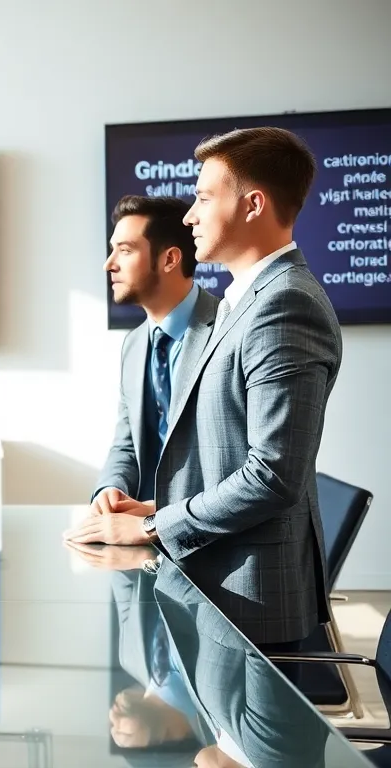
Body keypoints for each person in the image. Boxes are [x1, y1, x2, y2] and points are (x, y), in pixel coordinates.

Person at [66, 127, 342, 650]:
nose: (190, 214)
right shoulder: (248, 301)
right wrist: (147, 508)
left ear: (253, 205)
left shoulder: (286, 305)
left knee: (245, 737)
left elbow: (272, 475)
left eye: (204, 197)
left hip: (250, 597)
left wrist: (152, 528)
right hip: (214, 582)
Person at [91, 195, 220, 511]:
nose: (109, 263)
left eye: (125, 250)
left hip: (208, 537)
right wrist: (110, 489)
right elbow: (127, 442)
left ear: (169, 259)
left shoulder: (228, 329)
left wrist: (161, 518)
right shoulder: (134, 344)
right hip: (141, 535)